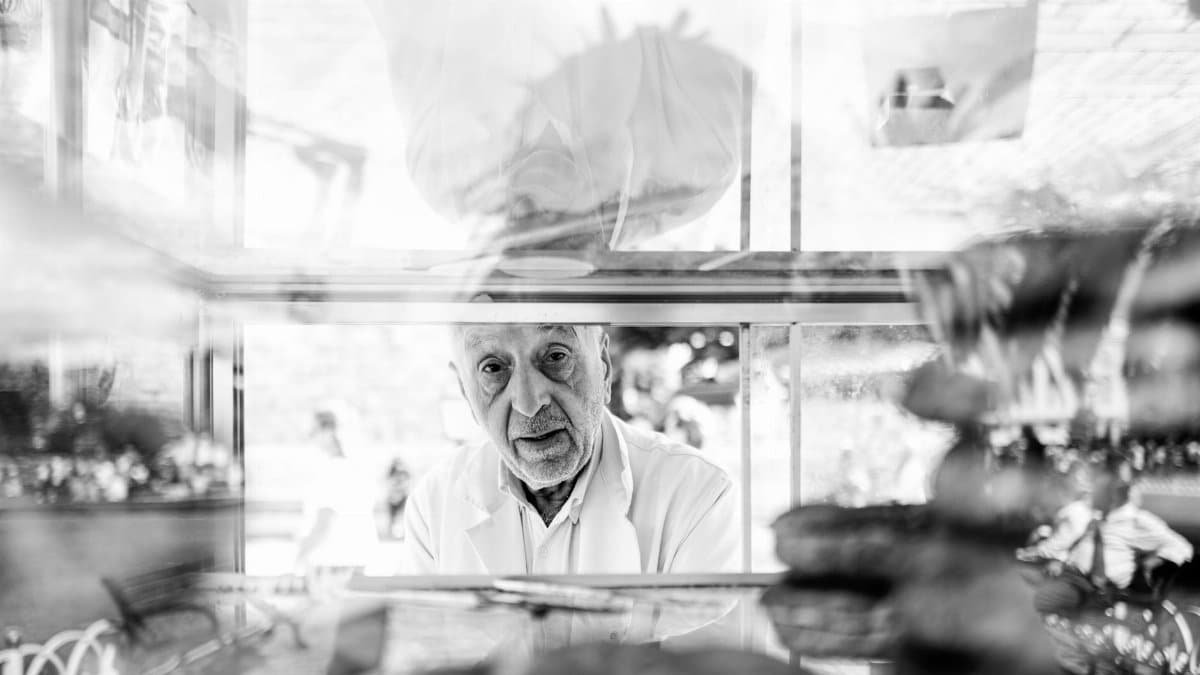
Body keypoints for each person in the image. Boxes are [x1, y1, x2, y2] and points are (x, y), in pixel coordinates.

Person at [402, 324, 738, 575]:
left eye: (556, 357)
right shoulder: (433, 507)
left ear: (604, 367)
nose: (530, 403)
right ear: (464, 390)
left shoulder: (698, 494)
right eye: (492, 368)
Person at [1017, 457, 1193, 617]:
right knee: (1018, 585)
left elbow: (1183, 547)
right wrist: (1061, 560)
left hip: (1094, 589)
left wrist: (1151, 563)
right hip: (1071, 576)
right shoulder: (1099, 518)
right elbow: (1077, 545)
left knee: (1034, 602)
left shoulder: (1136, 521)